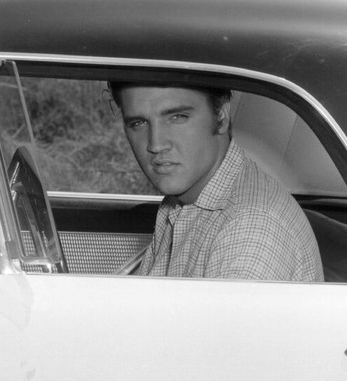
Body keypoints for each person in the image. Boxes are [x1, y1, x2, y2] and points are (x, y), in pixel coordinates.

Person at [109, 82, 323, 281]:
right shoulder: (182, 201)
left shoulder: (250, 230)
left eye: (177, 117)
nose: (155, 144)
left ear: (221, 114)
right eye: (138, 123)